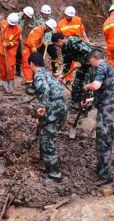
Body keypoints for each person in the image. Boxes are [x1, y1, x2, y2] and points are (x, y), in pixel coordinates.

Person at [29, 52, 67, 183]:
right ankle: (47, 164)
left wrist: (43, 107)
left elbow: (44, 90)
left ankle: (54, 175)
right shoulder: (48, 73)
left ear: (31, 64)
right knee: (45, 137)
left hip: (54, 112)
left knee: (47, 142)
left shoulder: (39, 75)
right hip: (60, 109)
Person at [82, 50, 114, 185]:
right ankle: (102, 169)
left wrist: (87, 86)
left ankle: (105, 176)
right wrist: (90, 100)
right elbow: (106, 92)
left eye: (90, 61)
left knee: (103, 143)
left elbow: (96, 85)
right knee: (104, 141)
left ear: (93, 59)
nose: (90, 64)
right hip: (109, 108)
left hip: (107, 112)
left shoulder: (100, 68)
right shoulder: (108, 67)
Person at [53, 33, 93, 114]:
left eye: (56, 44)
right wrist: (62, 74)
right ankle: (75, 104)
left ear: (60, 41)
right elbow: (67, 62)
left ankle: (86, 108)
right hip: (82, 66)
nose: (56, 46)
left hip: (91, 65)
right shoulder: (64, 48)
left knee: (86, 86)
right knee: (76, 84)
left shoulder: (72, 41)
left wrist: (81, 62)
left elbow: (89, 52)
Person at [22, 18, 57, 93]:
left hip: (31, 47)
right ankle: (28, 85)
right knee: (27, 65)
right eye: (50, 29)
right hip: (28, 48)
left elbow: (37, 39)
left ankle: (32, 82)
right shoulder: (39, 30)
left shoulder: (41, 29)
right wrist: (35, 53)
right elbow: (32, 42)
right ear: (48, 27)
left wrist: (43, 42)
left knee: (32, 65)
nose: (50, 31)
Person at [56, 6, 89, 83]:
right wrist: (58, 45)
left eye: (71, 16)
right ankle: (68, 79)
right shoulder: (61, 23)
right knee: (68, 62)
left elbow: (82, 31)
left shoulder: (78, 20)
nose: (69, 17)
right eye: (68, 16)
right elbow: (57, 35)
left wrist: (87, 41)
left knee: (81, 60)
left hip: (78, 43)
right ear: (65, 14)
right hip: (67, 45)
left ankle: (83, 79)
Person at [0, 13, 21, 94]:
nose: (10, 25)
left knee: (10, 67)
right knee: (2, 67)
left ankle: (11, 83)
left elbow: (16, 42)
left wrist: (8, 44)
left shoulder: (18, 30)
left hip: (10, 52)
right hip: (1, 50)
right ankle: (4, 82)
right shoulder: (3, 23)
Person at [34, 5, 60, 76]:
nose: (46, 15)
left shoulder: (51, 19)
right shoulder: (38, 20)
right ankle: (40, 72)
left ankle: (55, 71)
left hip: (50, 42)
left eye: (48, 14)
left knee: (55, 56)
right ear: (42, 13)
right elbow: (35, 32)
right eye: (45, 14)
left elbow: (54, 30)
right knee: (40, 58)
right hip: (42, 43)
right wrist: (41, 41)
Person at [15, 6, 35, 77]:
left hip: (18, 38)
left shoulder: (23, 19)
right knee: (10, 55)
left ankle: (18, 71)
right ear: (24, 13)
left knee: (19, 55)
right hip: (11, 38)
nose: (27, 18)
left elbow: (23, 26)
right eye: (27, 16)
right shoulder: (16, 17)